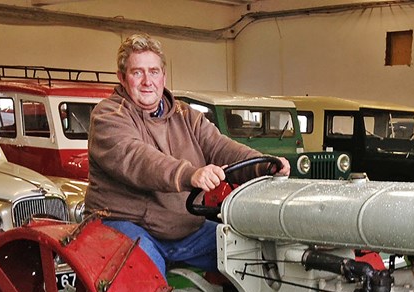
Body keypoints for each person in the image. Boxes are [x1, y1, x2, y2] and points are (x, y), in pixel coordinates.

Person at [85, 33, 289, 276]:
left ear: (164, 76)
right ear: (122, 78)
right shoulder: (108, 116)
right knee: (145, 272)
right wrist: (189, 174)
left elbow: (219, 147)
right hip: (126, 223)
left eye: (154, 72)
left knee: (248, 255)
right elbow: (136, 158)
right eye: (137, 72)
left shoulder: (185, 115)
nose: (147, 81)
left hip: (184, 229)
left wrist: (264, 165)